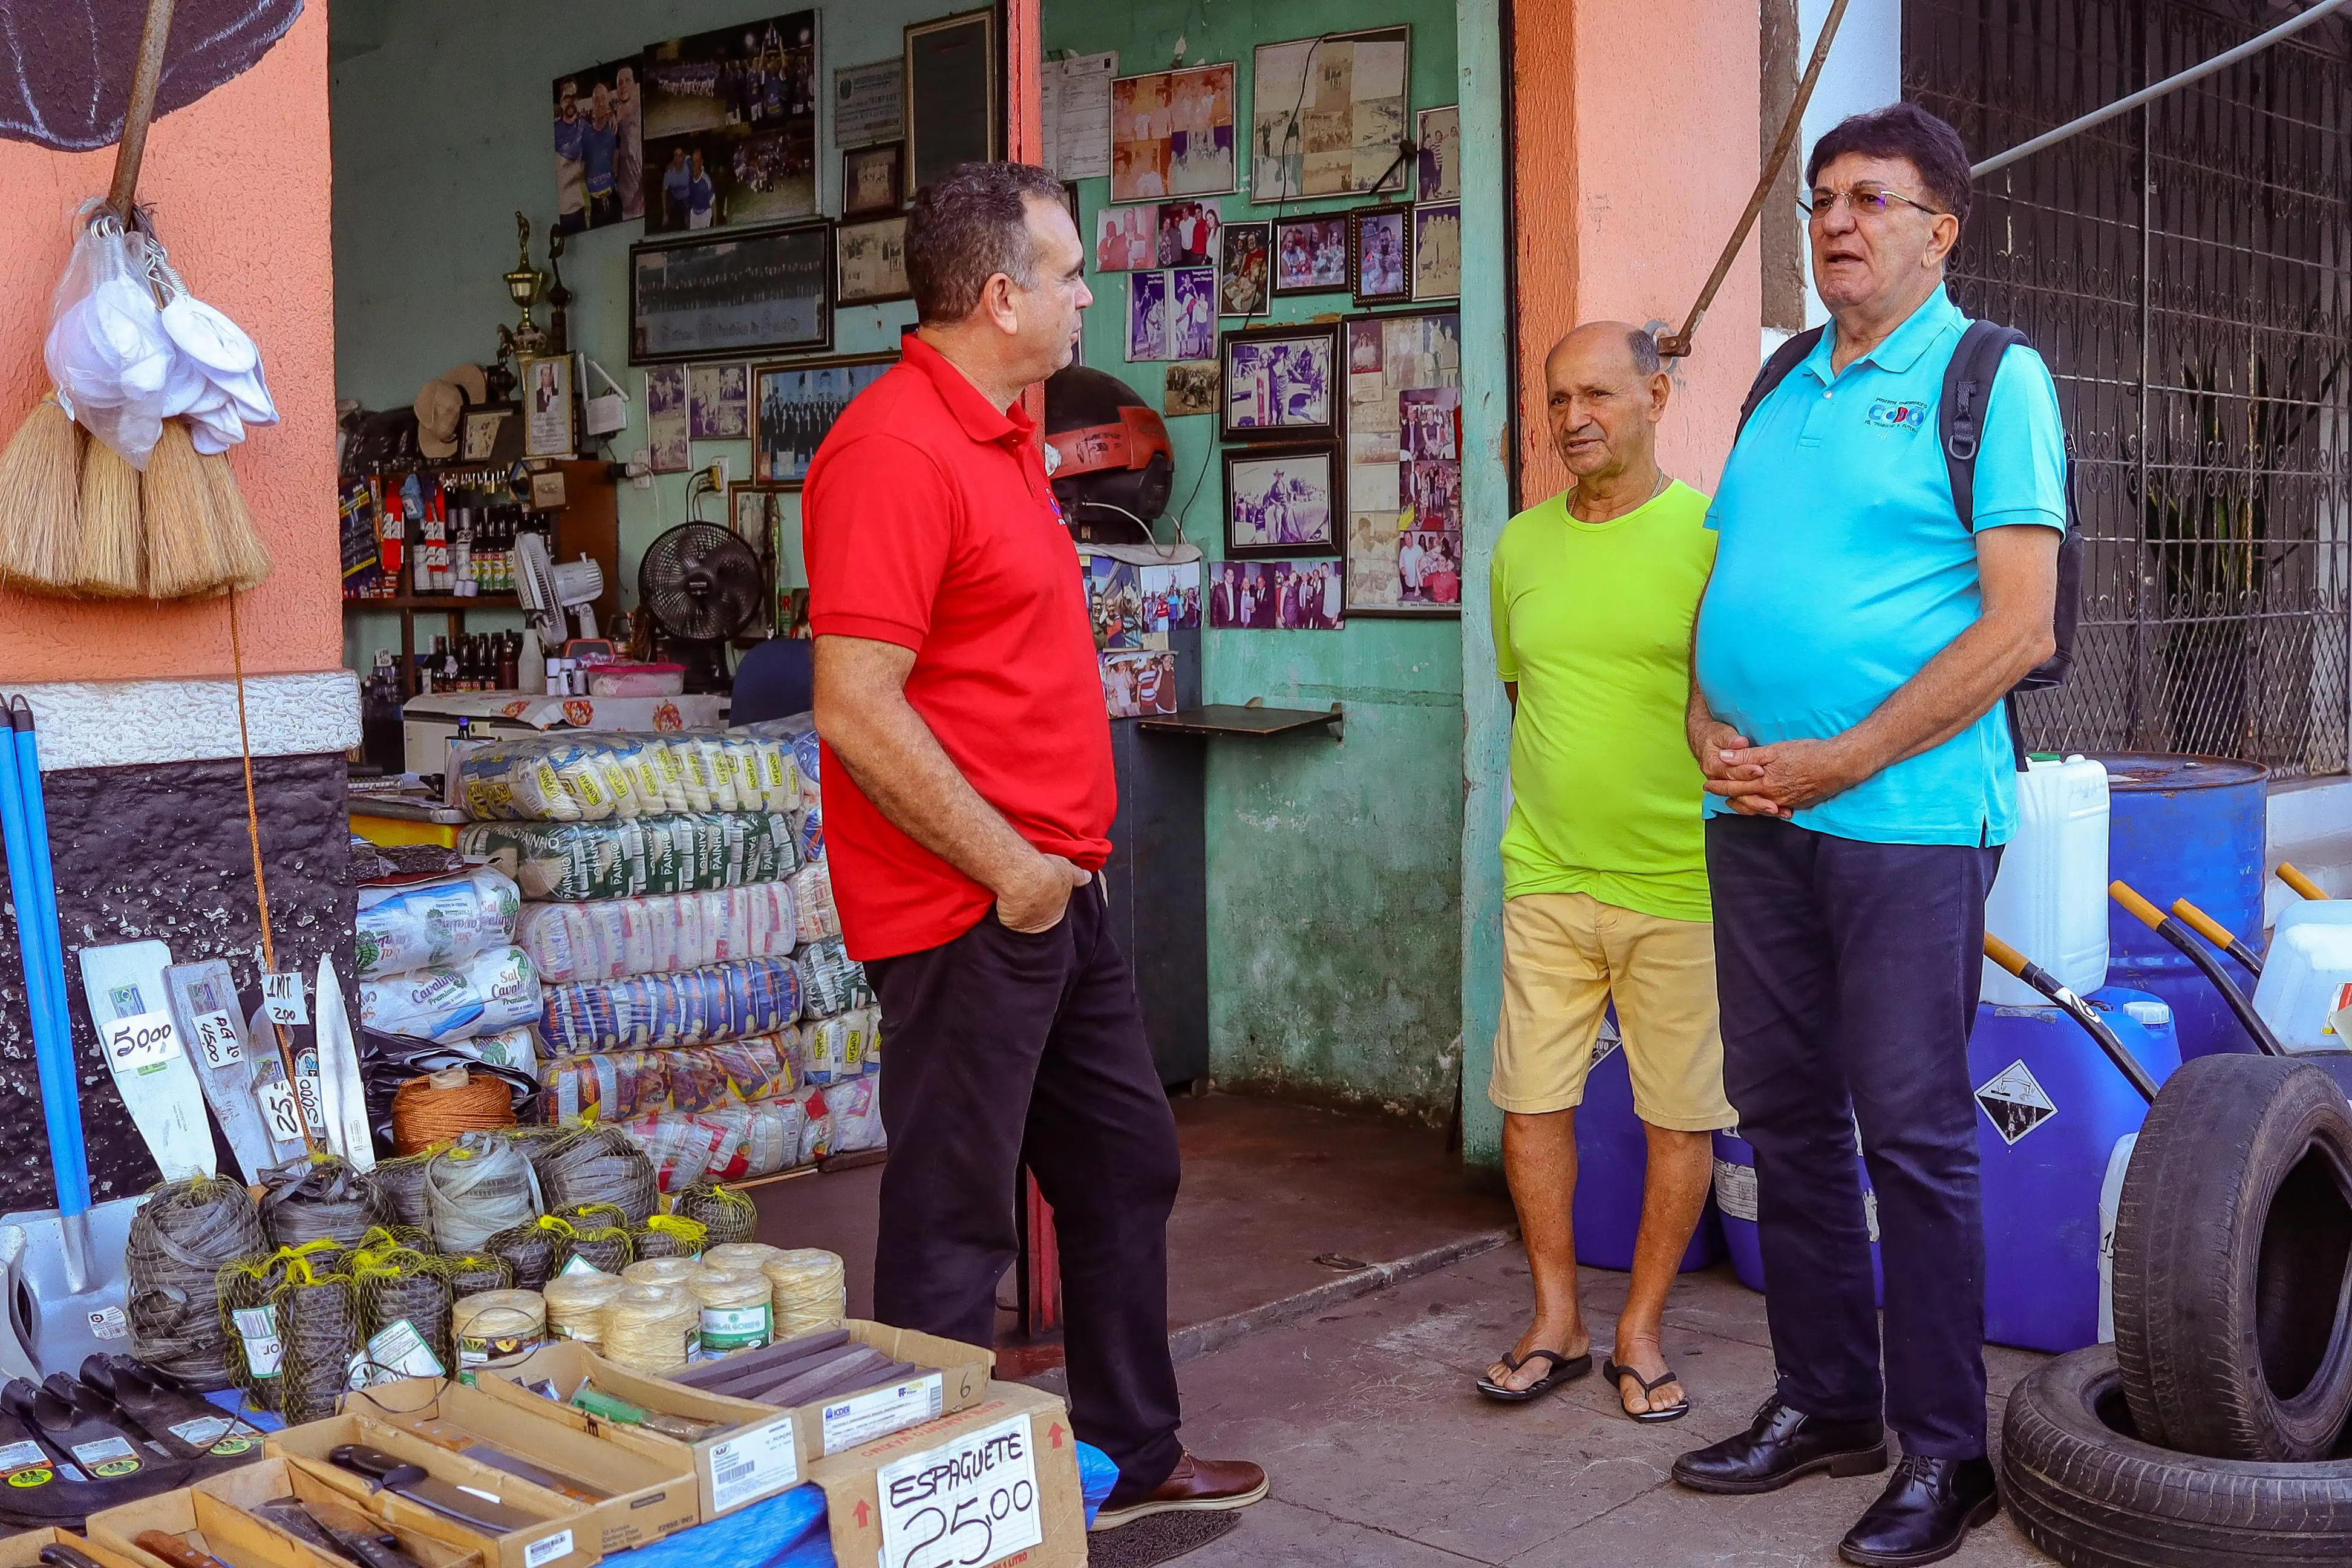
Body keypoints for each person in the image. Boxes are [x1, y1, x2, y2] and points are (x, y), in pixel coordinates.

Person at [803, 160, 1267, 1532]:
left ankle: (1129, 1455)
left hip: (1054, 894)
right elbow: (853, 704)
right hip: (969, 906)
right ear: (1002, 295)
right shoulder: (892, 449)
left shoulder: (1005, 436)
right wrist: (1006, 867)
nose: (1084, 297)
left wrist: (1046, 874)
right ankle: (926, 1523)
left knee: (1125, 1163)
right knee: (954, 1224)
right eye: (1068, 274)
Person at [1671, 104, 2064, 1568]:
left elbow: (2018, 629)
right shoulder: (1780, 379)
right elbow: (1734, 586)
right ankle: (1826, 1403)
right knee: (1784, 1119)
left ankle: (1947, 1453)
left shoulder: (1990, 378)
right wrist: (1708, 721)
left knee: (1911, 1129)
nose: (1837, 222)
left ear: (1939, 228)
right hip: (1755, 809)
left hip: (1903, 817)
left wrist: (1841, 755)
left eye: (1873, 201)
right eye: (1823, 199)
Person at [1477, 322, 1731, 1420]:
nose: (1574, 418)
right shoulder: (1520, 548)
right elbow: (1524, 695)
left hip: (1680, 881)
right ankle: (1556, 1320)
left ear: (1657, 396)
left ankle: (1640, 1327)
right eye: (1557, 399)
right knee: (1531, 1105)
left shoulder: (1711, 539)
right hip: (1545, 875)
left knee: (1680, 1118)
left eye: (1598, 395)